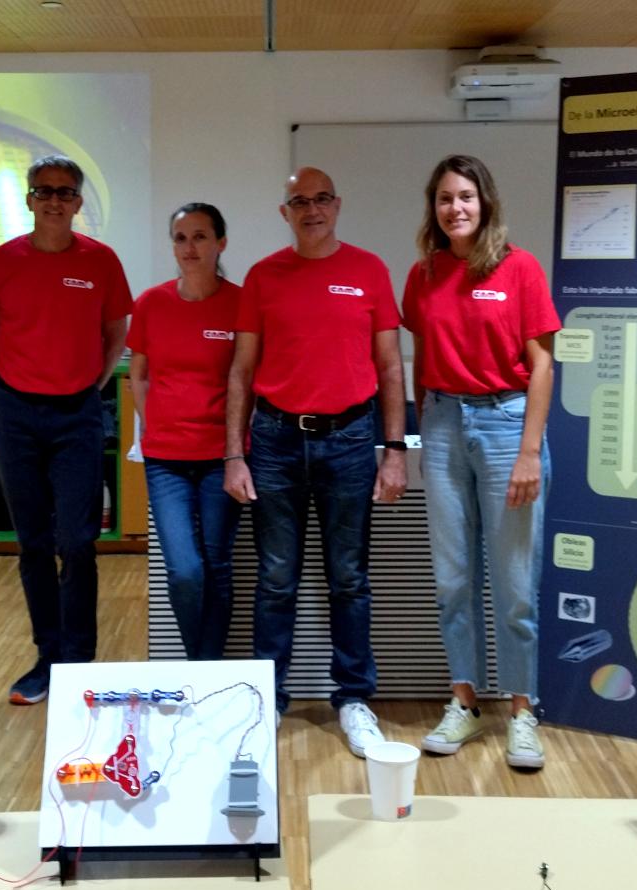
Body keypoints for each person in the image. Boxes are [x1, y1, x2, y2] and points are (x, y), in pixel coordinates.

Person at [223, 167, 408, 758]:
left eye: (321, 199)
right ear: (285, 212)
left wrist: (394, 449)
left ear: (337, 204)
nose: (311, 209)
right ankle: (267, 700)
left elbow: (390, 367)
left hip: (351, 440)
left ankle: (354, 699)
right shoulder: (262, 276)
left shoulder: (369, 270)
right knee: (277, 579)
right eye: (299, 201)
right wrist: (235, 453)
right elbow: (242, 372)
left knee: (349, 579)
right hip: (275, 440)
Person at [402, 154, 560, 769]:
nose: (455, 208)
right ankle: (464, 701)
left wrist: (528, 451)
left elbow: (543, 365)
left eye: (465, 196)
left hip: (505, 426)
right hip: (442, 426)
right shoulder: (423, 274)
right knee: (453, 579)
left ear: (484, 201)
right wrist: (425, 427)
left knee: (516, 585)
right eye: (444, 197)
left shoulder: (518, 268)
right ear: (433, 207)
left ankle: (522, 712)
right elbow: (422, 352)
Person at [0, 154, 132, 705]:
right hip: (15, 414)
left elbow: (115, 333)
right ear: (30, 200)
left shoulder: (102, 262)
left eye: (65, 192)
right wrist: (14, 391)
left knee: (79, 541)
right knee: (34, 543)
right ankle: (48, 656)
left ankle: (79, 660)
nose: (55, 200)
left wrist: (88, 383)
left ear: (79, 202)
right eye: (45, 191)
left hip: (77, 414)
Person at [127, 203, 243, 660]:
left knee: (217, 565)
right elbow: (139, 373)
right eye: (180, 238)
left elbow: (249, 376)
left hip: (222, 457)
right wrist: (152, 421)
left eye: (199, 237)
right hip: (166, 460)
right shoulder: (152, 303)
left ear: (220, 243)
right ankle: (199, 663)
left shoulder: (240, 302)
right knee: (185, 571)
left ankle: (207, 668)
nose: (189, 247)